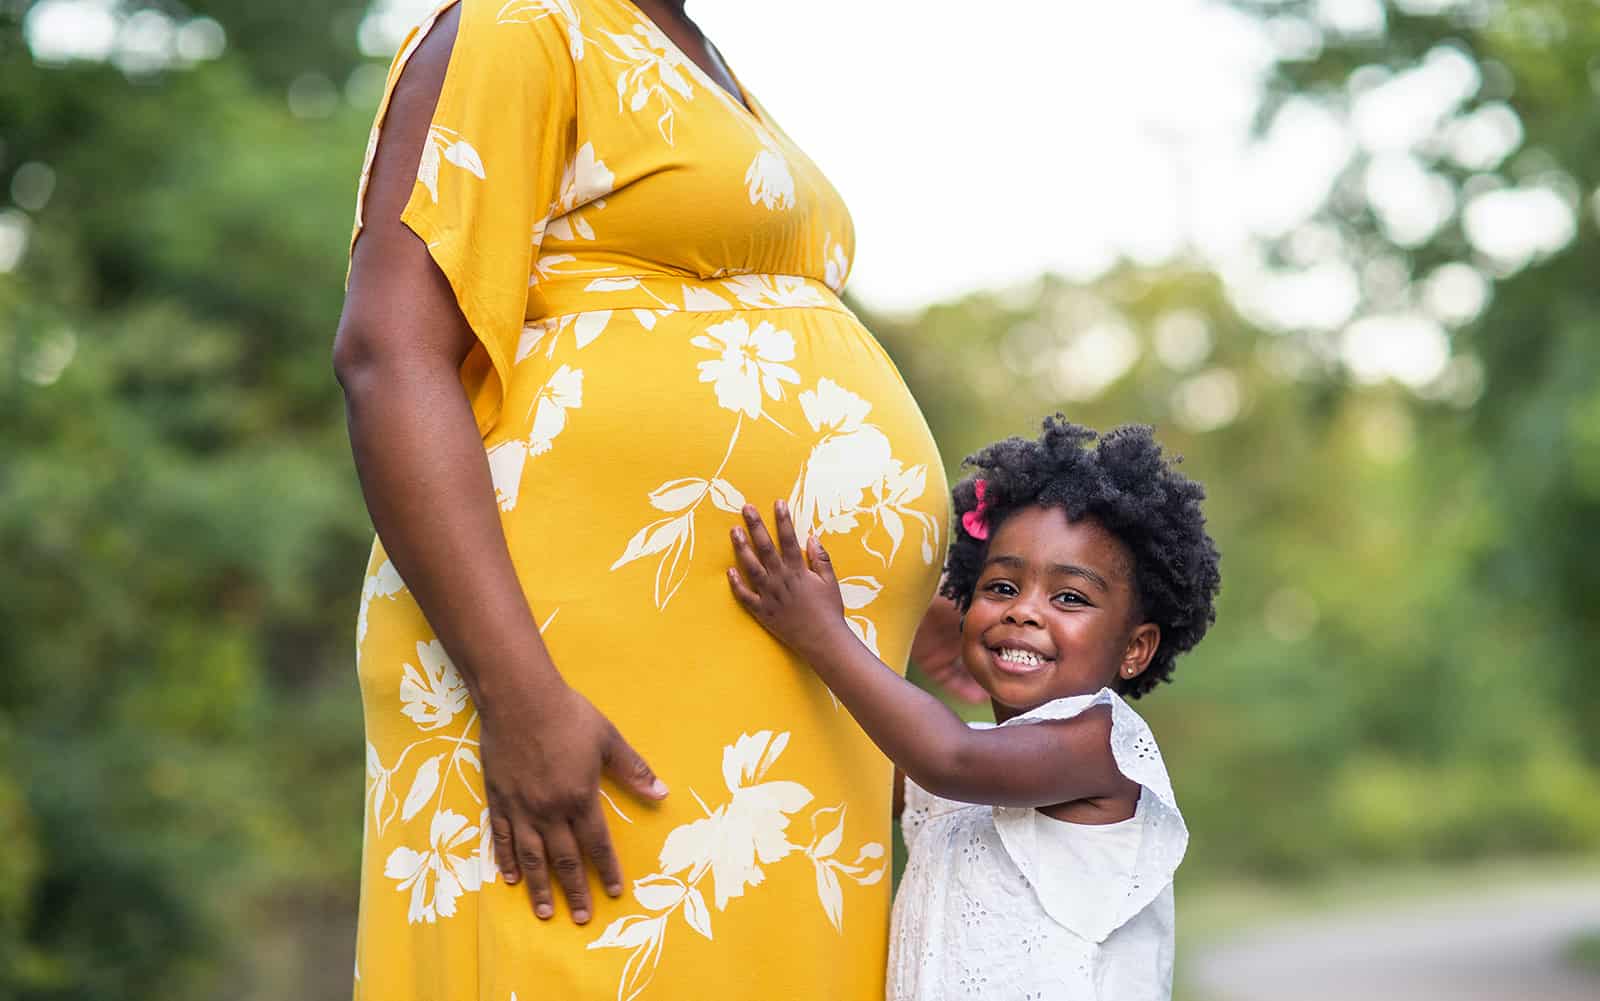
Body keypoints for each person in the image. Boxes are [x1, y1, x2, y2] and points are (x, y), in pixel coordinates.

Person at [332, 0, 950, 997]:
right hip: (572, 665)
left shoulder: (699, 53)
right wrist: (517, 693)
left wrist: (903, 597)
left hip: (767, 689)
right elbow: (389, 354)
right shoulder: (521, 23)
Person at [727, 417, 1222, 1000]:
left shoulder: (1101, 748)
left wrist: (824, 635)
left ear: (1135, 649)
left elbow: (952, 758)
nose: (1024, 612)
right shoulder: (957, 762)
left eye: (1069, 597)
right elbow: (846, 766)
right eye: (1001, 587)